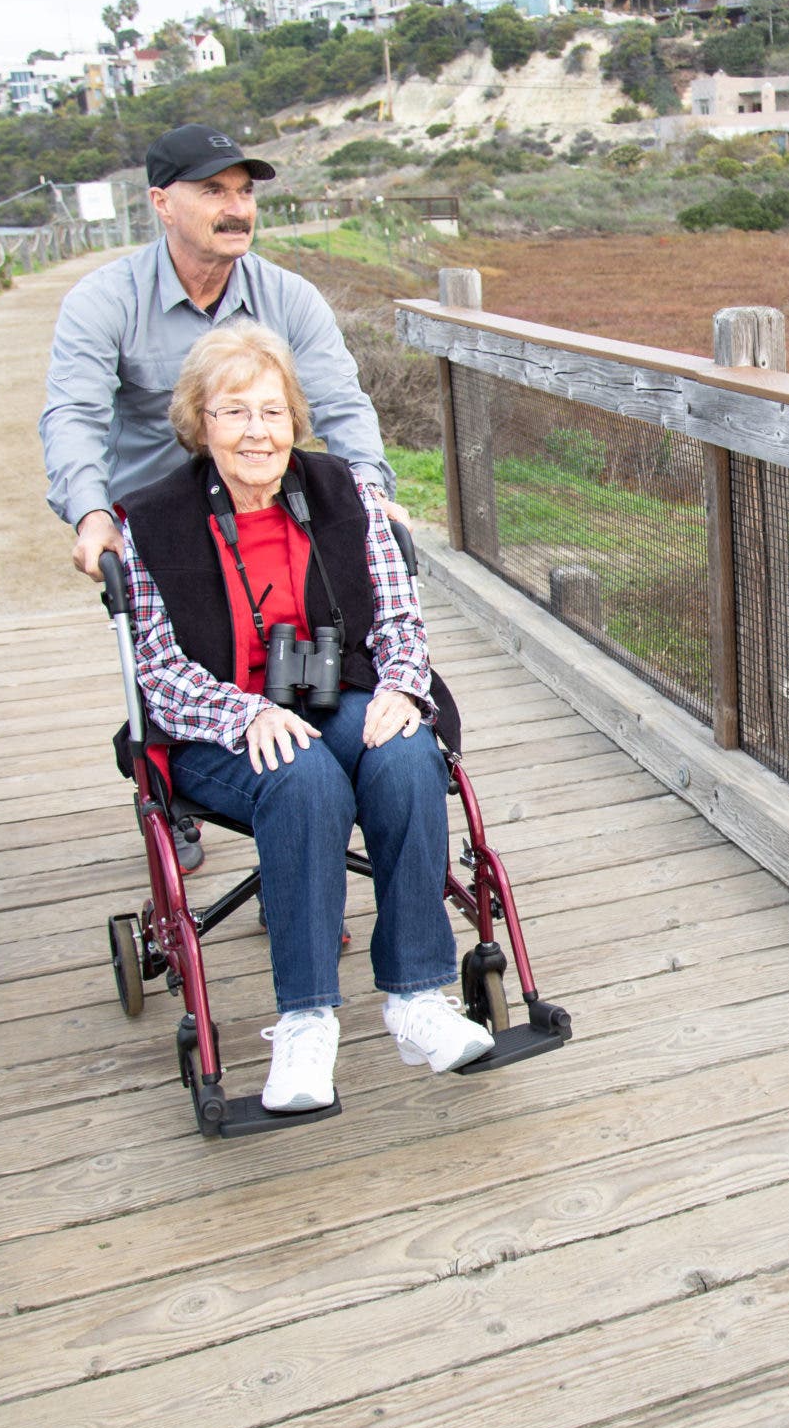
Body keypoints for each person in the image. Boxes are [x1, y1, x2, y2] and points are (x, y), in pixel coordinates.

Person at [117, 321, 491, 1110]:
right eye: (235, 412)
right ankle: (307, 1022)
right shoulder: (151, 520)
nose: (259, 431)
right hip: (214, 725)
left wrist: (398, 689)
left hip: (338, 693)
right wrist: (243, 712)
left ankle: (416, 999)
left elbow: (397, 620)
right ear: (201, 422)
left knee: (407, 752)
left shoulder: (343, 491)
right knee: (303, 775)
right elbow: (156, 667)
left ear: (295, 417)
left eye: (273, 411)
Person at [41, 121, 404, 585]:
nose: (238, 210)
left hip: (273, 520)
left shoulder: (290, 297)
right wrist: (92, 515)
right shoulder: (104, 301)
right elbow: (73, 415)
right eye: (214, 192)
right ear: (162, 204)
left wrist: (369, 490)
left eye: (245, 192)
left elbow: (341, 402)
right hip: (158, 528)